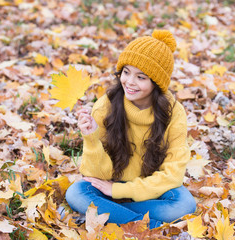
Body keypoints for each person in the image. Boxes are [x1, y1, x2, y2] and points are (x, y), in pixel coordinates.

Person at [65, 29, 196, 229]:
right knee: (76, 193)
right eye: (126, 72)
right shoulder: (106, 106)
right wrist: (91, 138)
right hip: (108, 185)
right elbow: (94, 174)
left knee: (185, 204)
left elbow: (173, 173)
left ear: (156, 83)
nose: (129, 82)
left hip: (149, 189)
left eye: (141, 77)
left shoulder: (173, 113)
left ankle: (115, 213)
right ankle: (146, 225)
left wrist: (120, 192)